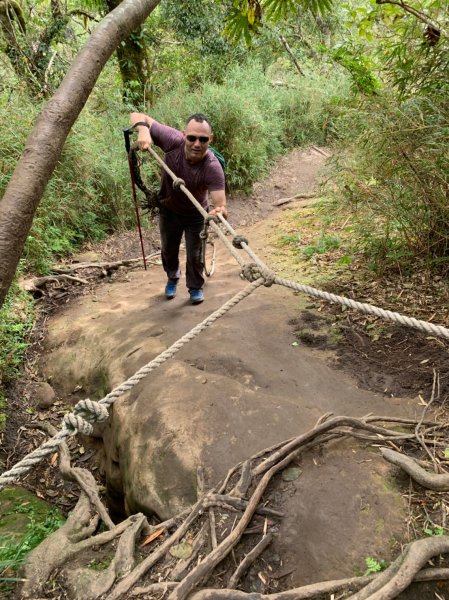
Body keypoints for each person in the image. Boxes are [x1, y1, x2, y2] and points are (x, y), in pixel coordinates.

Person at [129, 112, 227, 305]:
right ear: (184, 135)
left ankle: (195, 286)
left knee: (195, 254)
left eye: (203, 139)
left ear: (210, 139)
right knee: (168, 250)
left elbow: (221, 204)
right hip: (169, 210)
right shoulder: (172, 141)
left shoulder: (212, 167)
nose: (196, 144)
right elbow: (136, 115)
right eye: (191, 138)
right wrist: (143, 130)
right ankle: (173, 277)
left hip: (196, 215)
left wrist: (219, 212)